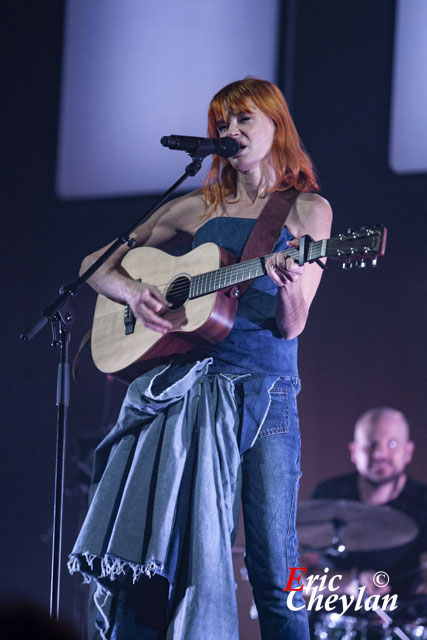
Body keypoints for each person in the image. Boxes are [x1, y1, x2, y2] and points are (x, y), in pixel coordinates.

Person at [68, 77, 332, 640]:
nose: (230, 132)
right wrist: (132, 292)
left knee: (273, 559)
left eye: (244, 120)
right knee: (162, 547)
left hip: (266, 394)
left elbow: (294, 323)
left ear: (275, 125)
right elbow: (96, 261)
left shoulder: (308, 210)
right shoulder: (200, 205)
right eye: (223, 123)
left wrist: (286, 287)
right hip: (189, 388)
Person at [308, 407, 427, 599]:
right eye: (370, 444)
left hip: (402, 622)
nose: (379, 453)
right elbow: (294, 580)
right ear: (354, 451)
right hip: (335, 619)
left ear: (408, 452)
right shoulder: (327, 495)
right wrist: (350, 582)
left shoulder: (423, 502)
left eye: (392, 443)